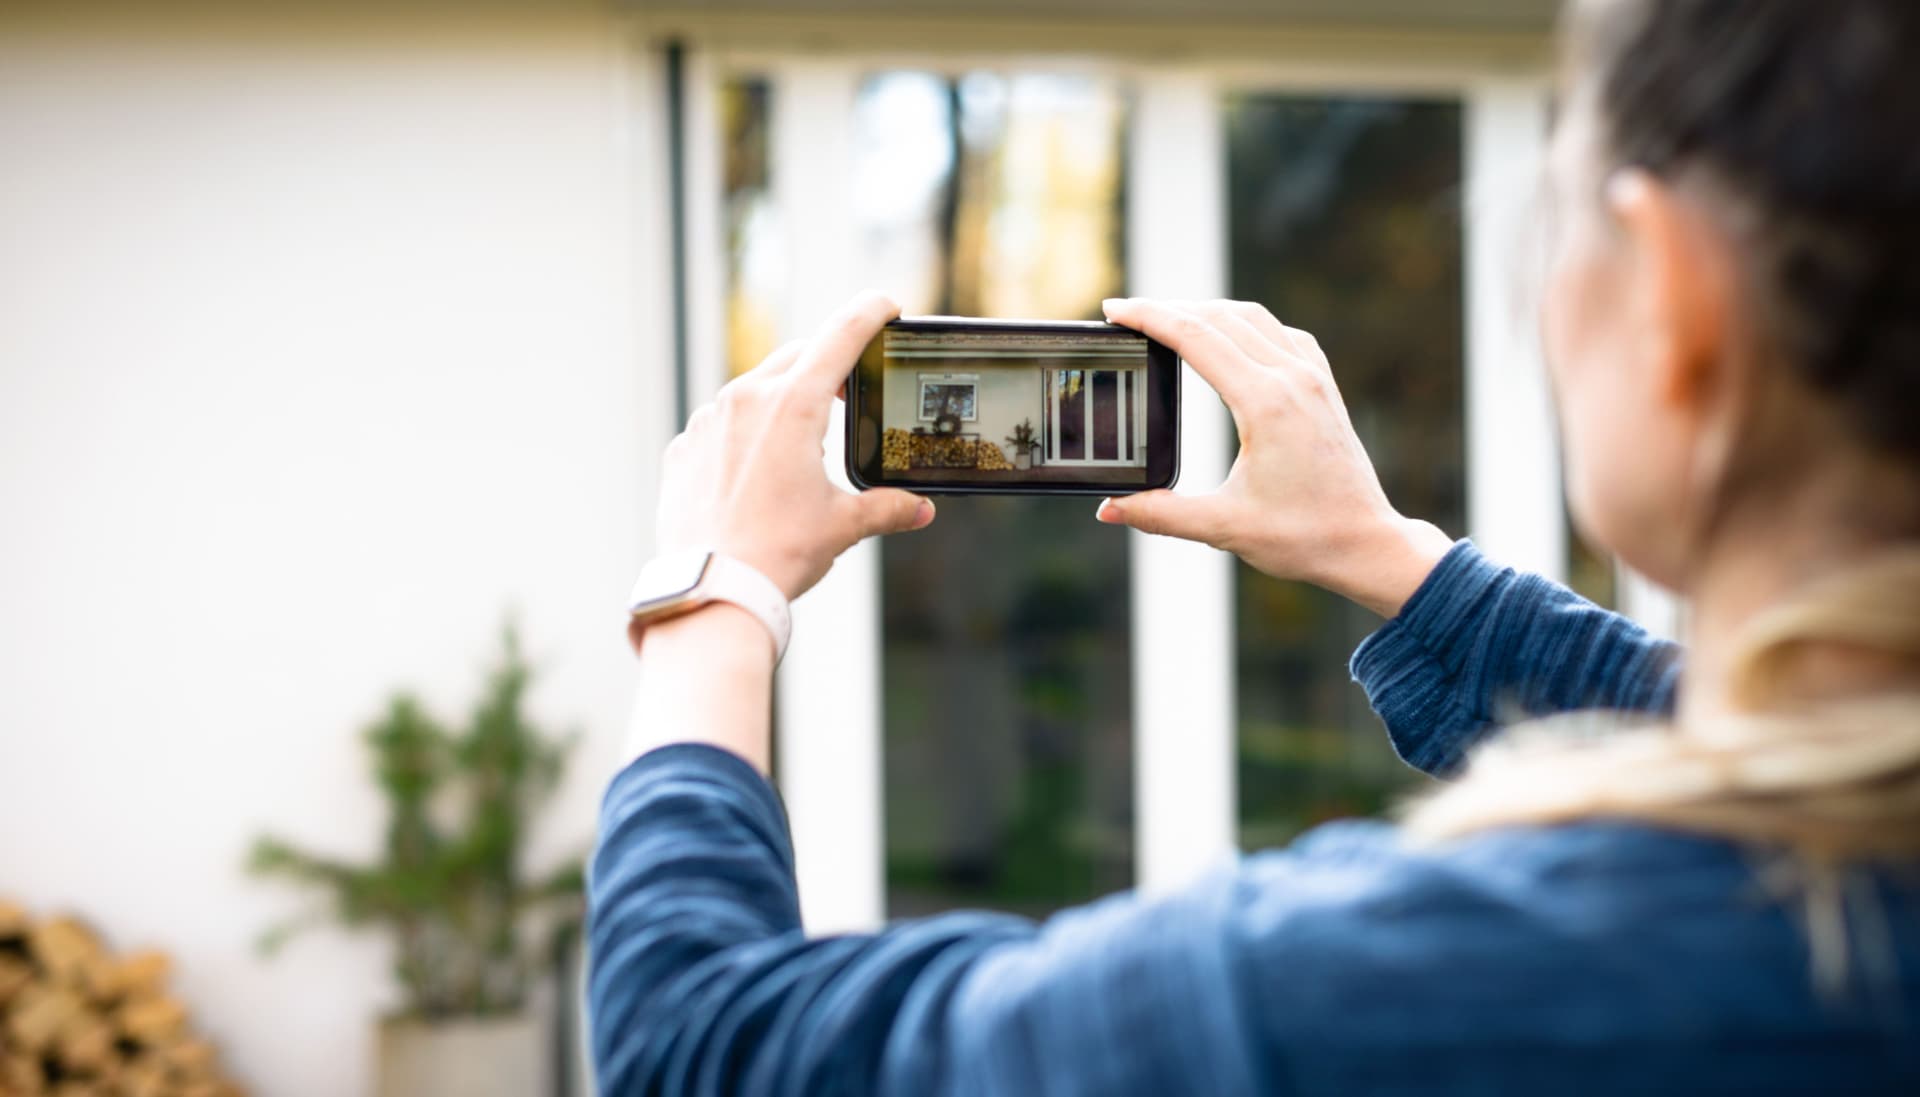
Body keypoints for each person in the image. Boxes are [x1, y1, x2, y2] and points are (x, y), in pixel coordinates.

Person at [589, 0, 1920, 1092]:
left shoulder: (1380, 982)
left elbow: (706, 1051)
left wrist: (716, 597)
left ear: (1673, 300)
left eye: (1555, 218)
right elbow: (1723, 732)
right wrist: (1388, 556)